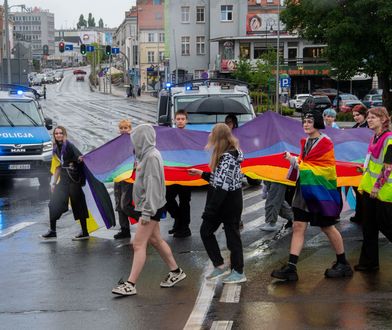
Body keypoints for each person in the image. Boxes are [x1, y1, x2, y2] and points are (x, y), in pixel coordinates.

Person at [271, 110, 353, 281]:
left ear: (317, 123)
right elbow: (306, 164)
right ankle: (291, 268)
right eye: (304, 122)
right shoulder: (307, 141)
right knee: (298, 226)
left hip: (320, 192)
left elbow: (325, 169)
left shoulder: (325, 142)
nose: (306, 125)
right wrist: (293, 160)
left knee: (327, 227)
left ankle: (343, 263)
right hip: (304, 191)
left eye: (309, 121)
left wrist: (297, 162)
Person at [112, 124, 186, 296]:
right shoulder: (147, 155)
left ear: (141, 140)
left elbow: (152, 186)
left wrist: (146, 213)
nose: (133, 143)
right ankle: (176, 272)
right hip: (152, 206)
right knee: (156, 240)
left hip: (150, 208)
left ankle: (130, 284)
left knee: (138, 244)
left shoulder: (151, 157)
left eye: (134, 140)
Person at [189, 123, 246, 284]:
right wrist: (202, 174)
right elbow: (219, 179)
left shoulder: (228, 157)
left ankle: (238, 271)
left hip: (228, 203)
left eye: (212, 134)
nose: (209, 136)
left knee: (231, 237)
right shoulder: (226, 154)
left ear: (218, 137)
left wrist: (210, 211)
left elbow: (222, 187)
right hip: (227, 200)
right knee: (207, 232)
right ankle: (220, 265)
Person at [355, 107, 392, 272]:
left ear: (383, 119)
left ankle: (369, 262)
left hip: (383, 192)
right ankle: (368, 262)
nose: (369, 120)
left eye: (373, 117)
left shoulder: (389, 140)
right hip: (369, 190)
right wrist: (362, 169)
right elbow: (373, 162)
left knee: (387, 226)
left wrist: (377, 186)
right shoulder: (374, 137)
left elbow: (388, 167)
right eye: (368, 117)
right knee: (368, 227)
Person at [41, 126, 90, 240]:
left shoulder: (69, 145)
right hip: (63, 180)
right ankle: (53, 231)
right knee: (53, 203)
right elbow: (57, 167)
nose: (58, 135)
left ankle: (85, 232)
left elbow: (79, 158)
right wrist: (53, 183)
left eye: (60, 133)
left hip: (73, 180)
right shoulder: (55, 148)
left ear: (64, 134)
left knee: (78, 205)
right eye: (56, 133)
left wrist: (79, 159)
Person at [166, 110, 192, 238]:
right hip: (173, 173)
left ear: (186, 121)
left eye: (183, 119)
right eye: (178, 119)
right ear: (174, 120)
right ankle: (178, 220)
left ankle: (184, 228)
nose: (180, 121)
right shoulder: (170, 135)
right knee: (167, 198)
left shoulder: (190, 135)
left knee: (184, 202)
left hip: (186, 174)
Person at [113, 119, 134, 239]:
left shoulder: (133, 141)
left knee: (125, 204)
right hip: (118, 176)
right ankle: (125, 229)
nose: (123, 130)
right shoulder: (116, 142)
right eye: (121, 128)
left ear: (130, 129)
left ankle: (143, 219)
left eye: (126, 128)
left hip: (128, 177)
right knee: (119, 205)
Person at [349, 104, 369, 224]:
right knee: (356, 190)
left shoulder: (368, 128)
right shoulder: (354, 127)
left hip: (364, 164)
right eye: (354, 116)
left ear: (364, 115)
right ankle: (359, 213)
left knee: (362, 191)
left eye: (358, 115)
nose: (356, 117)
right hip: (354, 163)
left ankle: (363, 216)